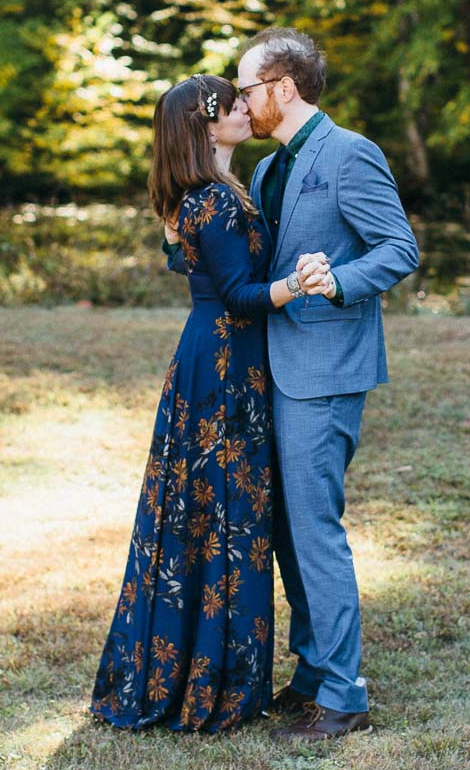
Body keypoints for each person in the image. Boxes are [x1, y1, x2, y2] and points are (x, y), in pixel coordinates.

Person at [173, 27, 419, 741]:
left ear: (283, 87)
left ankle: (344, 695)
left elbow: (398, 249)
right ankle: (311, 673)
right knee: (284, 531)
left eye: (247, 87)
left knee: (314, 531)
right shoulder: (268, 171)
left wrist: (340, 281)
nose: (240, 101)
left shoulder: (349, 154)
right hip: (268, 372)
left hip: (324, 372)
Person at [88, 75, 327, 732]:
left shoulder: (214, 194)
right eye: (231, 105)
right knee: (222, 514)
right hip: (223, 364)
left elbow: (191, 266)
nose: (244, 109)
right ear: (205, 125)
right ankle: (208, 680)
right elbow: (238, 296)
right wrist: (298, 286)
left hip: (215, 359)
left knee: (206, 513)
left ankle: (196, 666)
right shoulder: (215, 202)